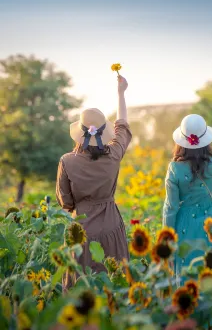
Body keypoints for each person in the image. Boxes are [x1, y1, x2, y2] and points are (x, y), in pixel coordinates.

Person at [56, 75, 132, 289]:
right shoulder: (114, 154)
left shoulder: (66, 161)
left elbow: (65, 202)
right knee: (114, 284)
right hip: (111, 225)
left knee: (81, 287)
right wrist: (121, 93)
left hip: (81, 230)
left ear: (79, 134)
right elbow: (122, 126)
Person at [163, 94, 212, 281]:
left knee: (187, 277)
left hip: (184, 226)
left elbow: (170, 208)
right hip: (211, 223)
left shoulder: (174, 168)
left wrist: (167, 242)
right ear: (205, 139)